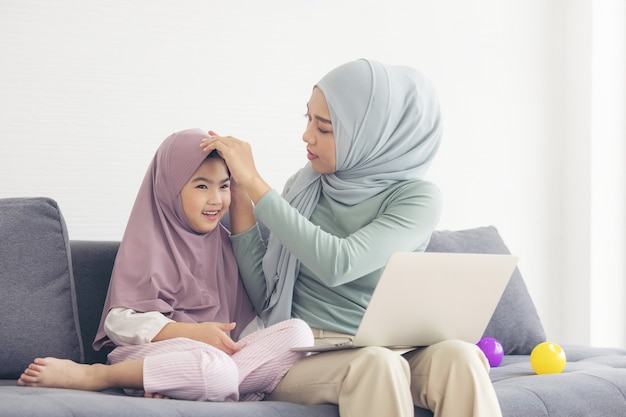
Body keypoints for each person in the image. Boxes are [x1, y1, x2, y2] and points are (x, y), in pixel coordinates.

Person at [200, 59, 502, 417]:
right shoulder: (305, 185)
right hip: (305, 351)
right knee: (375, 364)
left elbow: (340, 262)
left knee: (461, 357)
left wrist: (257, 185)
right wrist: (241, 193)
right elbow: (267, 293)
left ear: (371, 135)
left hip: (395, 347)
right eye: (308, 120)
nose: (307, 136)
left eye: (324, 128)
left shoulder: (416, 198)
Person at [17, 128, 313, 402]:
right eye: (201, 185)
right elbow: (120, 323)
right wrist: (192, 333)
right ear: (170, 188)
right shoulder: (150, 239)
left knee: (298, 334)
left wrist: (239, 189)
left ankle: (186, 382)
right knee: (216, 368)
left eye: (223, 186)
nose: (215, 200)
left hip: (210, 358)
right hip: (150, 353)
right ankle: (98, 376)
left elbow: (247, 329)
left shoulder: (224, 244)